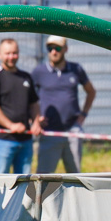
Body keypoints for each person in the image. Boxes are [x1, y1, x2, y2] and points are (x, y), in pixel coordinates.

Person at [31, 35, 96, 174]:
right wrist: (35, 120)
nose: (54, 52)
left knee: (75, 176)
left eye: (57, 48)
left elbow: (91, 92)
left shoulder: (76, 69)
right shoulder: (39, 72)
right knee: (43, 177)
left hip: (73, 130)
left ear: (65, 49)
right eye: (50, 48)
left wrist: (83, 114)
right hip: (49, 131)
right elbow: (28, 98)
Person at [0, 38, 41, 174]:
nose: (11, 57)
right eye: (7, 53)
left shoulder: (26, 77)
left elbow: (34, 104)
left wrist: (36, 123)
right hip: (3, 141)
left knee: (24, 183)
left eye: (14, 53)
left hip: (26, 141)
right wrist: (11, 126)